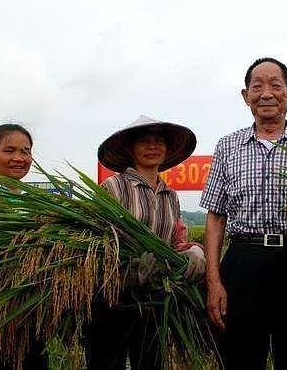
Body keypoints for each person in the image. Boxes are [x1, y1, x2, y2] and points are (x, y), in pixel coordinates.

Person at [200, 57, 287, 370]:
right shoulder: (227, 147)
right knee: (240, 359)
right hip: (241, 266)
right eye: (257, 86)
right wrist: (214, 282)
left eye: (275, 85)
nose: (266, 93)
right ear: (245, 95)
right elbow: (216, 217)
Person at [87, 115, 206, 370]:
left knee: (150, 361)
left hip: (155, 297)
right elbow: (96, 240)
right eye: (144, 141)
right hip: (113, 298)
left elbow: (177, 241)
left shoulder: (169, 195)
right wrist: (126, 270)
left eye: (158, 141)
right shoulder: (113, 187)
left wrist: (195, 251)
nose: (153, 146)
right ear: (131, 148)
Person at [0, 123, 48, 369]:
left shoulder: (40, 204)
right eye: (9, 151)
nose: (19, 158)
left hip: (31, 315)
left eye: (25, 151)